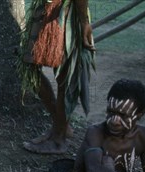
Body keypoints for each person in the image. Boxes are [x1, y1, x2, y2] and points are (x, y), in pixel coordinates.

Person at [20, 0, 95, 154]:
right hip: (46, 11)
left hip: (67, 15)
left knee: (66, 78)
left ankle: (58, 140)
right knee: (29, 68)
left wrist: (83, 22)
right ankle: (60, 126)